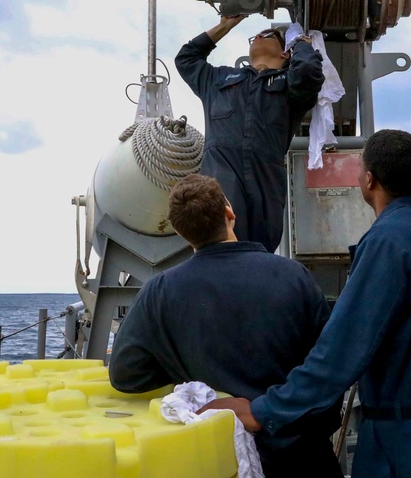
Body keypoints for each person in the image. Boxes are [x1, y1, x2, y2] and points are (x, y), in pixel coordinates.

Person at [203, 130, 411, 478]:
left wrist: (264, 411)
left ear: (369, 179)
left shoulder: (388, 242)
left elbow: (342, 349)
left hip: (407, 445)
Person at [108, 173, 344, 478]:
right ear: (229, 213)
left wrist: (183, 364)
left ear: (180, 233)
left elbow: (125, 375)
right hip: (304, 459)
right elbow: (330, 369)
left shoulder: (160, 291)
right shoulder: (293, 276)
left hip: (221, 461)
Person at [175, 15, 324, 252]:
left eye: (268, 35)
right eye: (254, 36)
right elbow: (186, 59)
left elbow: (308, 71)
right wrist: (226, 25)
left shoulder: (290, 83)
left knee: (257, 249)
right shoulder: (219, 78)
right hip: (220, 177)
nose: (257, 37)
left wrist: (302, 43)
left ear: (285, 53)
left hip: (264, 180)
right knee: (217, 242)